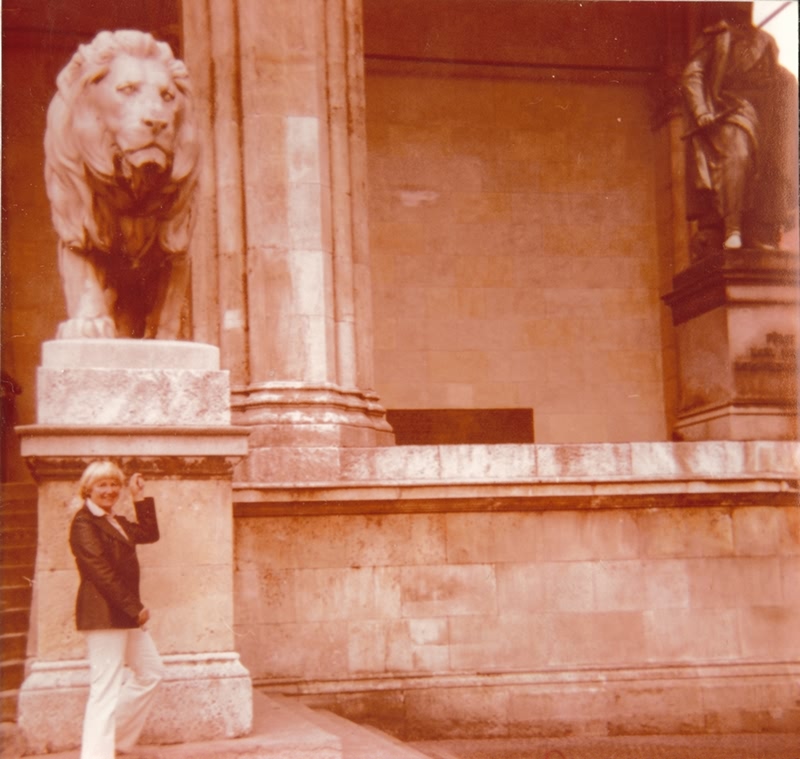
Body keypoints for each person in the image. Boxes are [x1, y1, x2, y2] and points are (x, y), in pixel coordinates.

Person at [681, 5, 798, 254]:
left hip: (764, 115)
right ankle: (732, 228)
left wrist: (786, 81)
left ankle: (759, 228)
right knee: (738, 154)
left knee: (772, 164)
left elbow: (776, 77)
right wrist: (702, 111)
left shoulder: (765, 41)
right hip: (728, 110)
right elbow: (693, 73)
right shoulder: (715, 36)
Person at [69, 460, 164, 759]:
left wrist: (139, 498)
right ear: (89, 489)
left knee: (150, 672)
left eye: (114, 485)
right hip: (103, 615)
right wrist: (135, 608)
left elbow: (149, 533)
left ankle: (113, 741)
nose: (109, 491)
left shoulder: (116, 521)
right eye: (102, 485)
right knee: (105, 689)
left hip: (123, 614)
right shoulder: (84, 523)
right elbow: (101, 572)